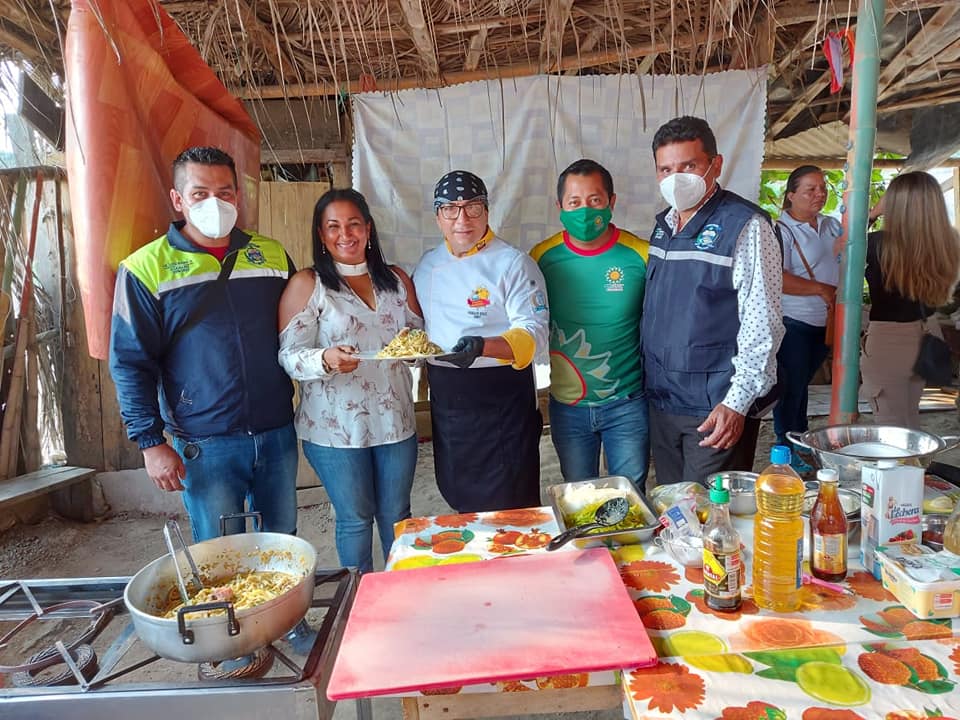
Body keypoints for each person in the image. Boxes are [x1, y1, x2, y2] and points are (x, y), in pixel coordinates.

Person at [110, 146, 299, 543]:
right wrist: (150, 443)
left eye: (224, 192)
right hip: (205, 442)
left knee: (284, 545)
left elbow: (301, 330)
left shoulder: (271, 255)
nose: (215, 202)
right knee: (221, 553)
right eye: (200, 193)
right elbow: (130, 362)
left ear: (237, 196)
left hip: (277, 431)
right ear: (178, 199)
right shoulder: (145, 269)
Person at [277, 188, 421, 573]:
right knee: (355, 518)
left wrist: (413, 349)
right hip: (335, 430)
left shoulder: (396, 280)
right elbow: (288, 355)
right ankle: (358, 597)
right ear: (321, 234)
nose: (345, 234)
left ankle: (401, 591)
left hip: (395, 422)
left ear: (368, 229)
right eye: (333, 226)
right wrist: (325, 358)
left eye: (354, 224)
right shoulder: (309, 284)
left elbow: (418, 336)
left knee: (398, 515)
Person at [642, 116, 784, 486]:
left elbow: (763, 323)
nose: (676, 178)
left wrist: (737, 402)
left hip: (715, 406)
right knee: (673, 505)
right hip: (664, 399)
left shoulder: (746, 225)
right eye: (666, 169)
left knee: (710, 511)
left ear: (715, 165)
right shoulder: (664, 226)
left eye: (688, 166)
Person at [413, 170, 550, 512]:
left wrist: (482, 346)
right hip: (448, 401)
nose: (462, 219)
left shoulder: (513, 263)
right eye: (450, 209)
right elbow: (417, 328)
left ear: (487, 211)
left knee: (513, 503)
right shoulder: (427, 266)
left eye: (472, 207)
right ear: (438, 216)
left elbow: (535, 331)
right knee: (460, 496)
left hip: (501, 399)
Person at [531, 159, 650, 488]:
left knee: (630, 496)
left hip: (627, 403)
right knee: (578, 494)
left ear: (612, 202)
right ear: (560, 207)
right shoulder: (541, 258)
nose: (584, 211)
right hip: (568, 406)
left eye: (594, 200)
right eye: (574, 202)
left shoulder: (641, 255)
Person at [861, 171, 960, 428]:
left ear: (896, 203)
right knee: (909, 418)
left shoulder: (878, 243)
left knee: (890, 425)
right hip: (927, 331)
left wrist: (872, 214)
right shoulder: (950, 242)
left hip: (889, 338)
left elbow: (842, 248)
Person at [773, 166, 844, 473]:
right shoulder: (781, 230)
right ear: (791, 195)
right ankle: (786, 449)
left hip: (827, 321)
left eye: (822, 188)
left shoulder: (832, 225)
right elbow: (777, 277)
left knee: (801, 386)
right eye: (810, 189)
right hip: (795, 322)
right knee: (791, 388)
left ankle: (800, 444)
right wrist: (820, 289)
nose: (820, 194)